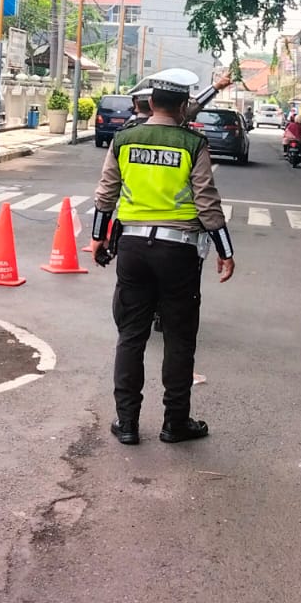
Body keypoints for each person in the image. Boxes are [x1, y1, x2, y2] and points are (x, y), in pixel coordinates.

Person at [90, 67, 235, 446]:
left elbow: (105, 194)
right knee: (179, 339)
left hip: (134, 249)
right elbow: (207, 202)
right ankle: (175, 423)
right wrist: (225, 251)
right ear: (184, 105)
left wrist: (97, 239)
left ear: (150, 102)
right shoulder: (192, 144)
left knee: (131, 337)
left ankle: (127, 423)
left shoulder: (124, 139)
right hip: (179, 252)